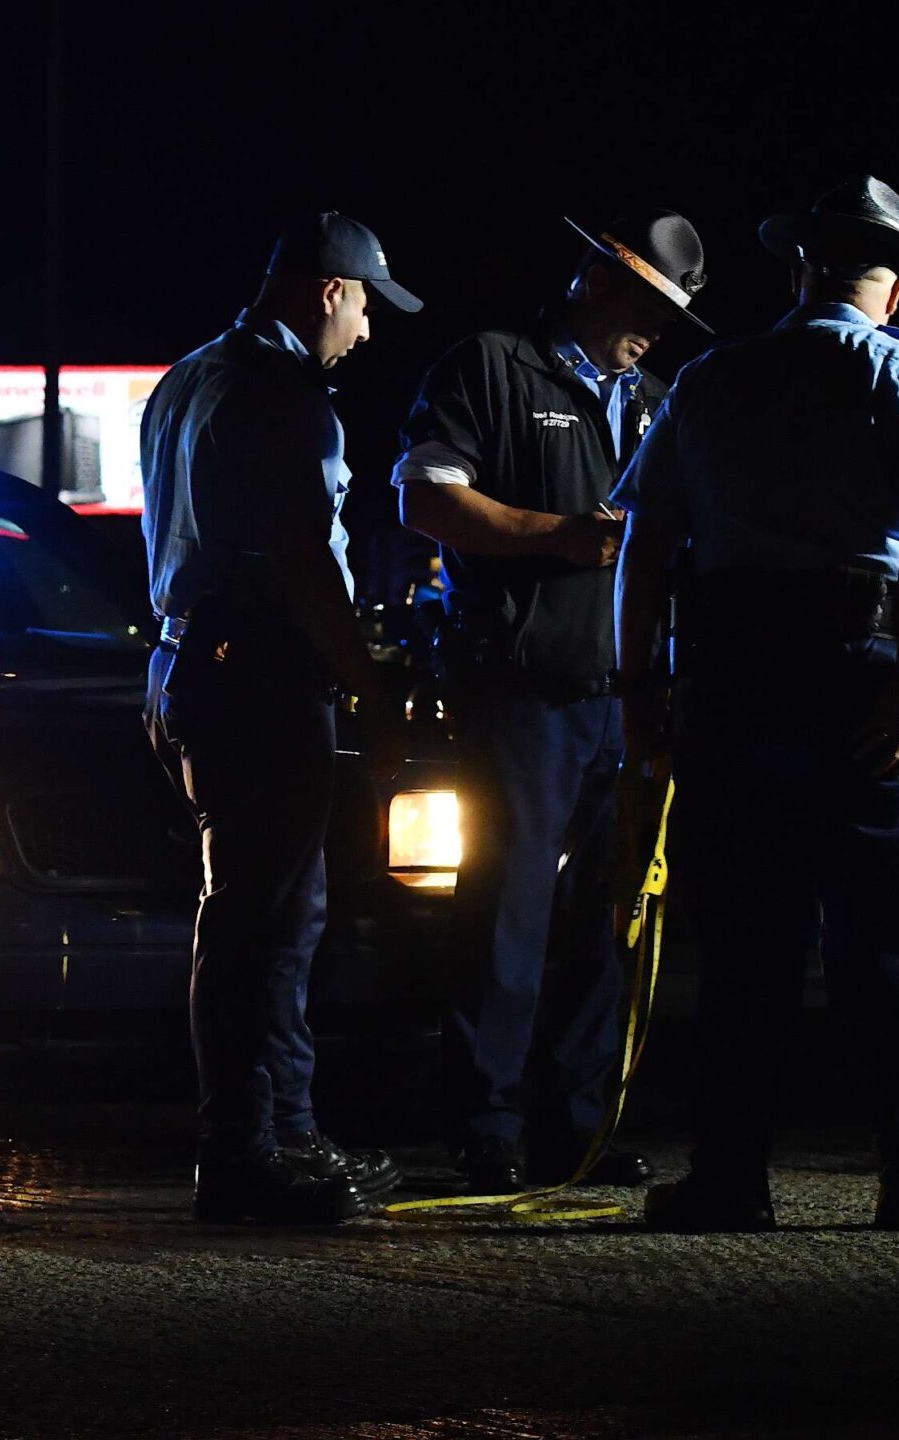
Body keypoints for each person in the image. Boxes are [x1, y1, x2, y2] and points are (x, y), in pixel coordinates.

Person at [611, 176, 899, 1232]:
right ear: (895, 290)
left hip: (735, 677)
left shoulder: (711, 377)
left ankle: (730, 1177)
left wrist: (640, 686)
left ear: (798, 271)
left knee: (746, 940)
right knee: (889, 938)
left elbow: (645, 547)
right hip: (866, 664)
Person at [394, 211, 710, 1193]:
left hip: (624, 697)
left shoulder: (659, 401)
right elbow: (424, 498)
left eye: (672, 316)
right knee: (508, 911)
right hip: (521, 693)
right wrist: (561, 537)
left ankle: (572, 1129)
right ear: (597, 279)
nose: (656, 332)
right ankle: (484, 1127)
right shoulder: (489, 368)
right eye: (649, 306)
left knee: (601, 921)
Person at [141, 211, 420, 1224]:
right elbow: (302, 560)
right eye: (366, 309)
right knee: (261, 922)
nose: (369, 334)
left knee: (273, 914)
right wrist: (370, 683)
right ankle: (244, 1156)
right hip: (258, 671)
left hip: (192, 662)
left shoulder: (187, 380)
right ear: (327, 293)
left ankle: (287, 1135)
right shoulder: (285, 399)